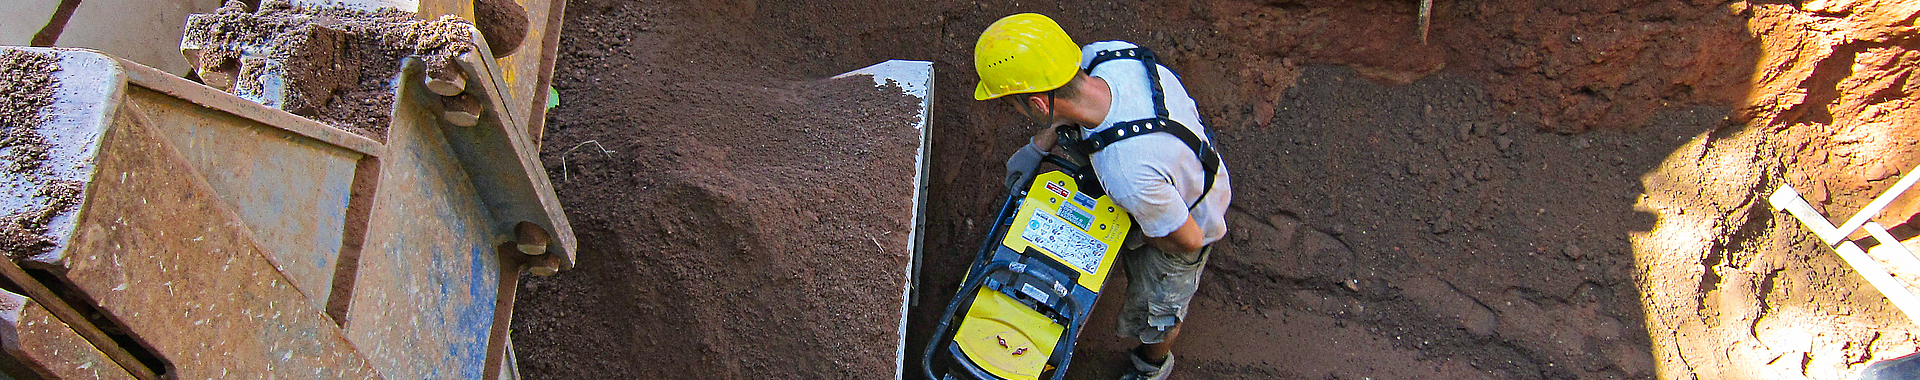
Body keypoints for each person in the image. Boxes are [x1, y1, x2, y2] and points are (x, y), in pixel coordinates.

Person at [974, 13, 1232, 380]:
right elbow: (1070, 111)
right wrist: (1037, 147)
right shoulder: (1108, 55)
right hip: (1174, 157)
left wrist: (1135, 231)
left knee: (1159, 312)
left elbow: (1187, 240)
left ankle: (1150, 366)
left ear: (1038, 104)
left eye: (1012, 104)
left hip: (1192, 215)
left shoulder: (1127, 173)